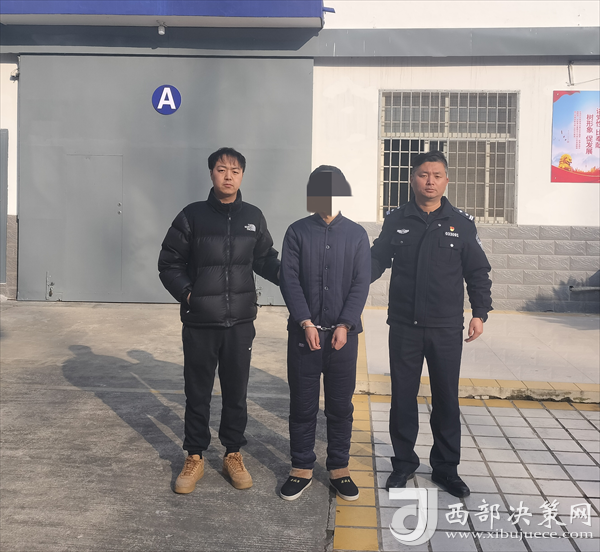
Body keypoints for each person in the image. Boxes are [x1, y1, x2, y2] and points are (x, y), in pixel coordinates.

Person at [158, 147, 280, 494]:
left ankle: (233, 453)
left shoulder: (253, 216)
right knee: (197, 392)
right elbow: (169, 263)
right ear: (211, 173)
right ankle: (194, 455)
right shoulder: (192, 216)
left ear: (242, 176)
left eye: (235, 170)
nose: (228, 176)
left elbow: (265, 260)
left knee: (236, 392)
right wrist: (189, 295)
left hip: (240, 322)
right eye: (222, 169)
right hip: (201, 322)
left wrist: (295, 278)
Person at [370, 150, 492, 498]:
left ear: (446, 180)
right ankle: (403, 464)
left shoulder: (461, 224)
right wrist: (349, 282)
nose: (430, 181)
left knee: (446, 399)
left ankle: (446, 468)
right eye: (424, 174)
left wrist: (480, 312)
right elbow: (376, 260)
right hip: (404, 326)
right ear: (413, 179)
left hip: (445, 327)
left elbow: (477, 271)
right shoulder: (397, 220)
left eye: (437, 175)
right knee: (402, 398)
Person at [279, 165, 371, 501]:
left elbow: (361, 282)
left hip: (343, 339)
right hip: (304, 337)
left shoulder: (357, 235)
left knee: (340, 407)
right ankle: (301, 467)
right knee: (303, 406)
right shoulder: (297, 232)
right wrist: (305, 321)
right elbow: (289, 279)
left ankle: (339, 469)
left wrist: (345, 323)